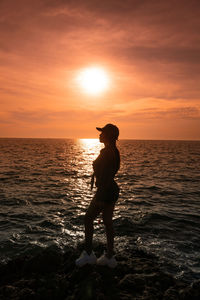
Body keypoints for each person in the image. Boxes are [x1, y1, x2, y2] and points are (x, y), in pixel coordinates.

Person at [76, 123, 120, 268]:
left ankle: (89, 254)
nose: (99, 135)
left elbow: (106, 176)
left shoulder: (106, 152)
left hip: (105, 191)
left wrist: (101, 197)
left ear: (108, 136)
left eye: (102, 133)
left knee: (88, 218)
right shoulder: (114, 151)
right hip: (112, 190)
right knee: (107, 222)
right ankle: (109, 256)